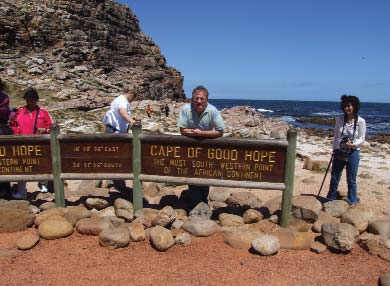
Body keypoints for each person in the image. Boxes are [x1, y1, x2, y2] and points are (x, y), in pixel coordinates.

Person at [177, 85, 225, 207]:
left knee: (204, 175)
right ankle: (195, 203)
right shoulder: (185, 109)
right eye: (196, 98)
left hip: (206, 150)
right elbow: (182, 129)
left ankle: (203, 202)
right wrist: (192, 133)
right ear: (192, 99)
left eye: (202, 99)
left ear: (206, 100)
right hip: (190, 149)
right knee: (191, 174)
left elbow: (220, 131)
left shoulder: (213, 110)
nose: (199, 101)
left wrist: (201, 133)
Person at [9, 87, 53, 199]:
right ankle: (21, 191)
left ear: (37, 100)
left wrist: (45, 130)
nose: (30, 101)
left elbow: (52, 127)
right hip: (23, 144)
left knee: (42, 164)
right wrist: (18, 133)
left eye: (33, 99)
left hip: (39, 144)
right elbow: (12, 124)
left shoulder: (43, 112)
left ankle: (43, 184)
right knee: (22, 166)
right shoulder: (19, 111)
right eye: (28, 99)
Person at [326, 95, 366, 205]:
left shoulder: (361, 121)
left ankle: (352, 201)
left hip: (353, 152)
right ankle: (330, 198)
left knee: (351, 179)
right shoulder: (339, 119)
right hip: (340, 151)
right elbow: (336, 136)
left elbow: (362, 138)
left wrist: (353, 144)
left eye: (349, 106)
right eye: (345, 106)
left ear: (355, 106)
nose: (347, 108)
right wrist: (334, 149)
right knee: (335, 176)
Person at [102, 87, 137, 190]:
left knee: (114, 155)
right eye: (134, 97)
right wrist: (132, 122)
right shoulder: (122, 101)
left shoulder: (117, 99)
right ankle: (115, 181)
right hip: (116, 131)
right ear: (130, 93)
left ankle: (114, 180)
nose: (133, 100)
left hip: (113, 130)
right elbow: (122, 112)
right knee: (116, 155)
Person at [0, 79, 13, 197]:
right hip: (4, 129)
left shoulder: (4, 98)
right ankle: (5, 189)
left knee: (4, 161)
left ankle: (4, 189)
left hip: (2, 129)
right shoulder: (5, 98)